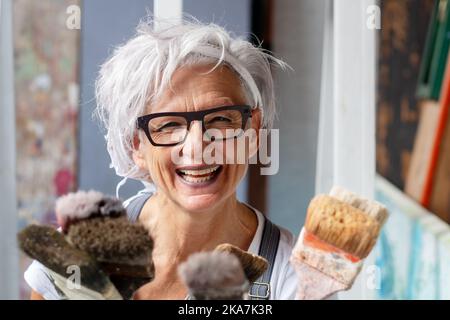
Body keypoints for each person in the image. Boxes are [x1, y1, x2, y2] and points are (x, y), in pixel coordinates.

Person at [25, 17, 297, 300]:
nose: (196, 147)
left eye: (219, 119)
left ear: (251, 131)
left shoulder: (291, 279)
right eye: (168, 125)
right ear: (136, 146)